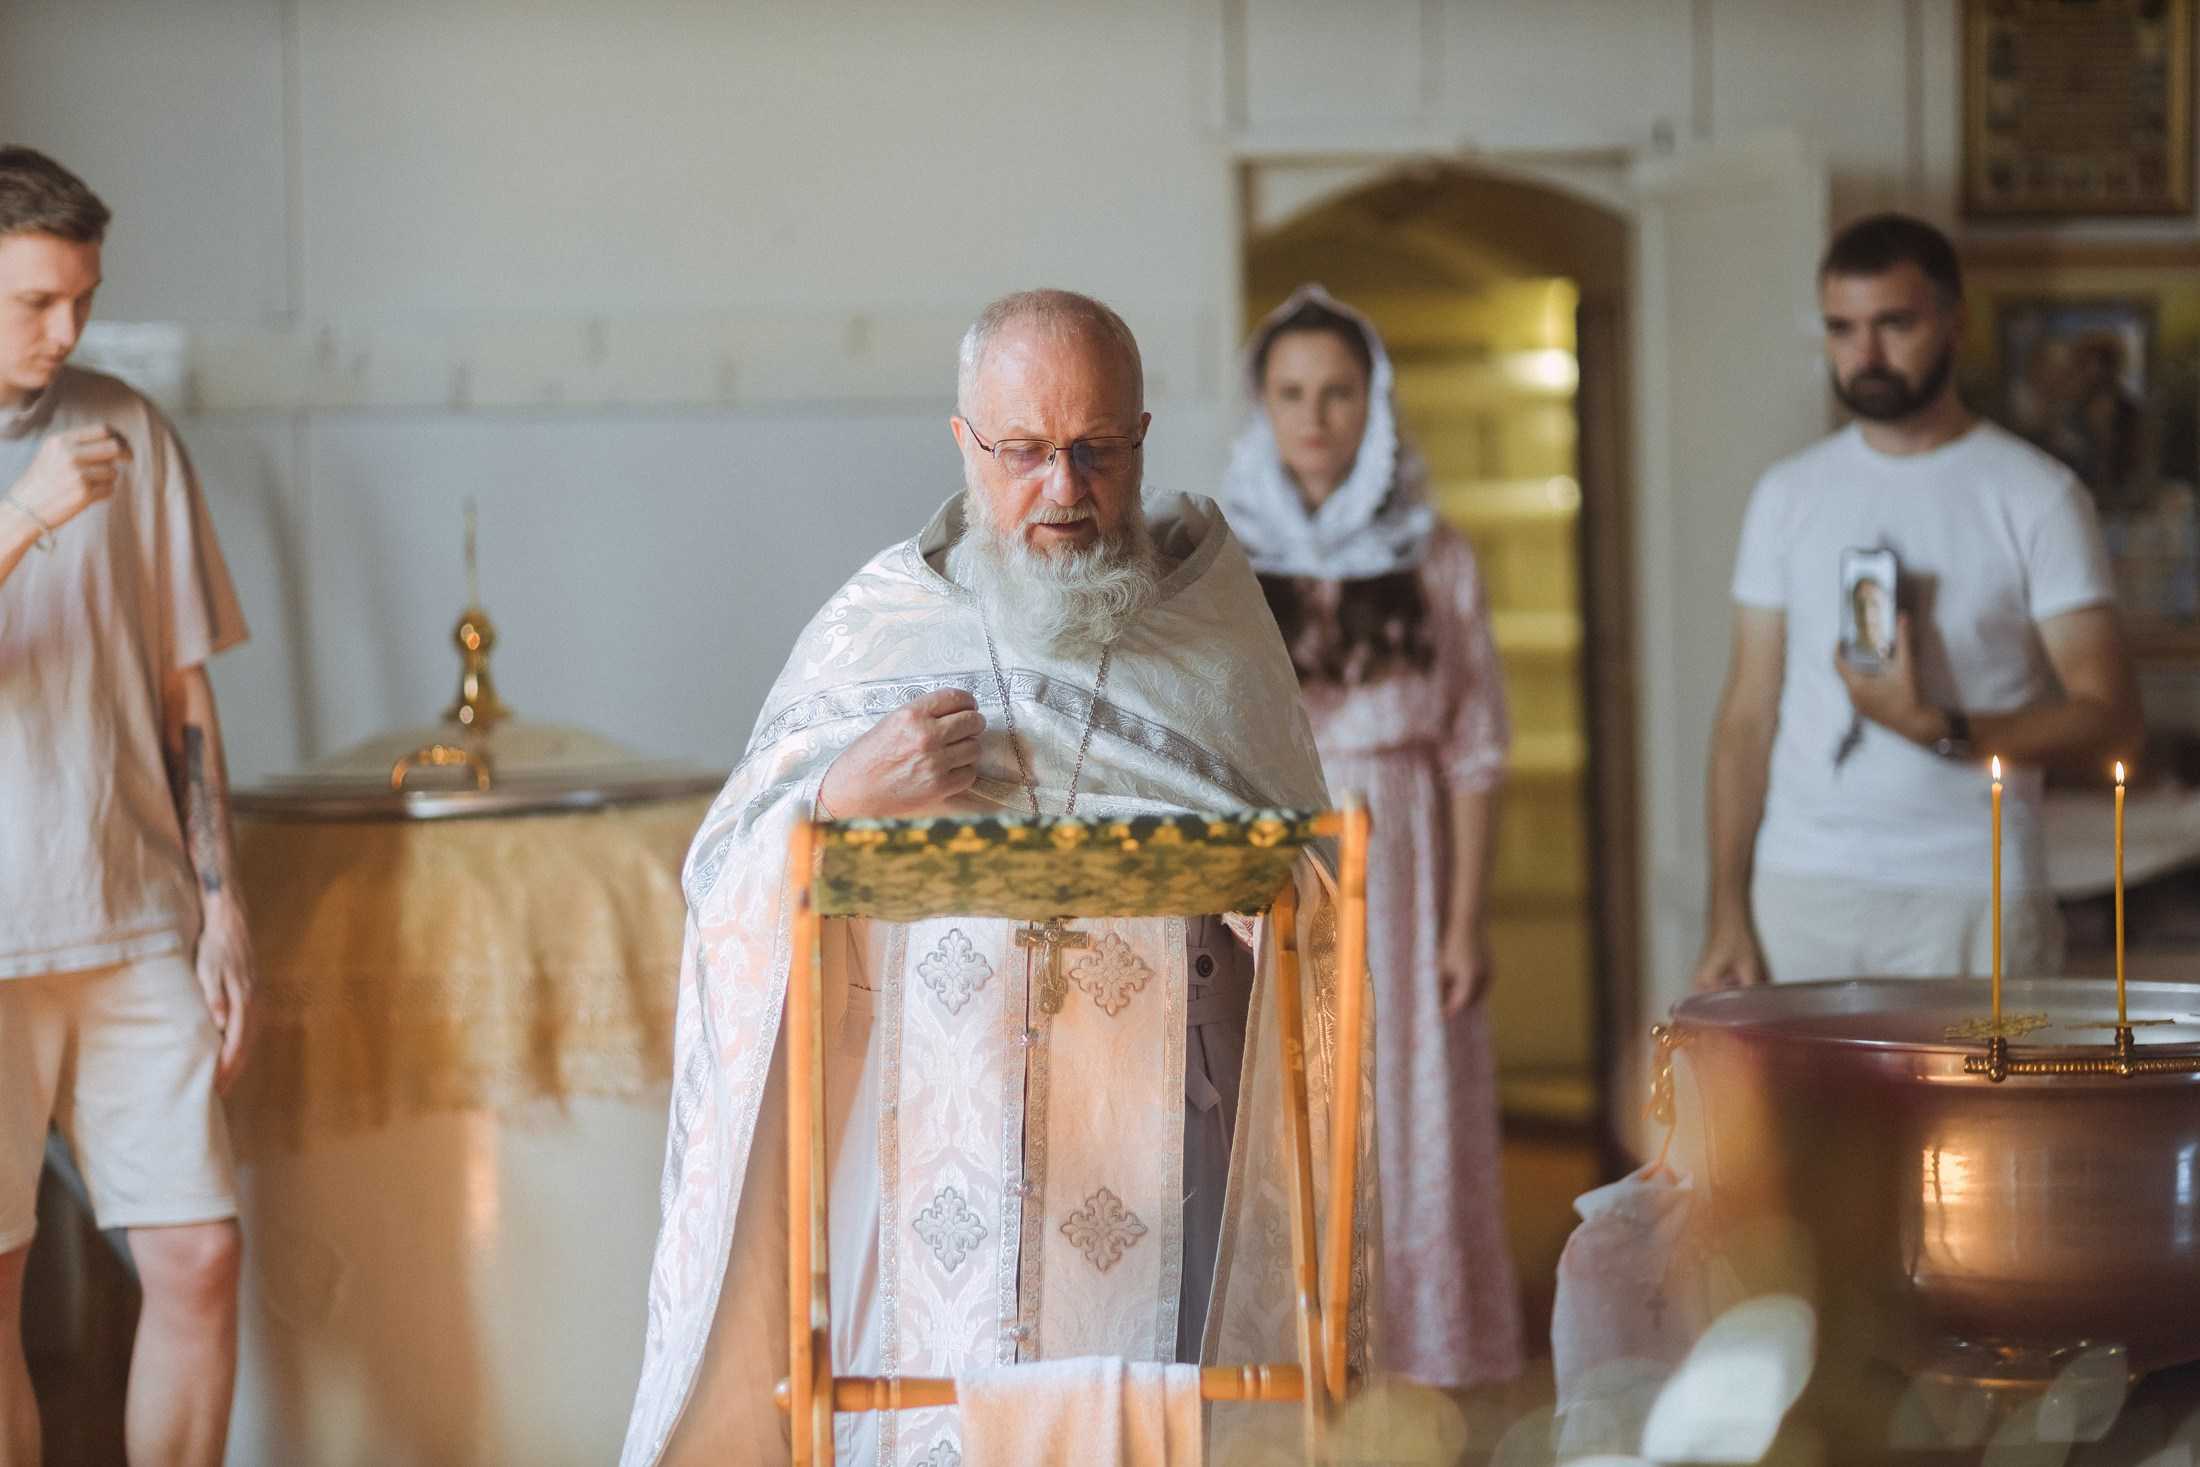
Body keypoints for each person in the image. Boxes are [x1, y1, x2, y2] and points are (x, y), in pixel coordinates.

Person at [621, 290, 1377, 1467]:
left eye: (1094, 452)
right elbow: (724, 876)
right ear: (964, 444)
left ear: (1138, 440)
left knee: (1153, 1422)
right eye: (1023, 453)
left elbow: (1320, 889)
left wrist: (1255, 882)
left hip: (1154, 1143)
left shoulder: (1215, 631)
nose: (1063, 491)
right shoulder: (876, 628)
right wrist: (832, 808)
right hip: (926, 1139)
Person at [1693, 214, 2143, 990]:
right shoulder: (1787, 493)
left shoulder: (2038, 495)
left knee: (1988, 1116)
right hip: (1803, 888)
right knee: (1805, 1118)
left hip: (1974, 889)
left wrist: (1943, 729)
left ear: (1956, 323)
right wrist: (1726, 908)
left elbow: (2111, 716)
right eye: (1842, 329)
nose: (1864, 355)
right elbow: (1745, 716)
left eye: (1893, 324)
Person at [0, 147, 257, 1467]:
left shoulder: (128, 427)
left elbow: (182, 685)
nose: (68, 331)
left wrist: (222, 907)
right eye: (36, 302)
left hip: (136, 913)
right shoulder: (51, 475)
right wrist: (26, 516)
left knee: (199, 1254)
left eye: (83, 300)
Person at [1221, 285, 1522, 1390]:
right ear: (1262, 404)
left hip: (1405, 869)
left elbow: (1477, 749)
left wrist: (1464, 919)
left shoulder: (1434, 554)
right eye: (1292, 393)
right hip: (1274, 873)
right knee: (1287, 1113)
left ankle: (1423, 1376)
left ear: (1373, 403)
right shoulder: (1215, 558)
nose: (1316, 417)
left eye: (1338, 392)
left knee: (1412, 1113)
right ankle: (1295, 1373)